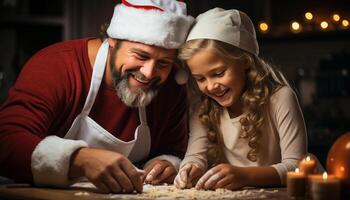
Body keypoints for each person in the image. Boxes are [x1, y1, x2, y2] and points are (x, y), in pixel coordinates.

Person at [0, 0, 194, 194]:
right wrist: (80, 159)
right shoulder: (56, 66)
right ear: (113, 40)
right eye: (141, 56)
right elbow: (6, 141)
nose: (149, 73)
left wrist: (167, 163)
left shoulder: (171, 88)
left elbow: (174, 149)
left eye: (163, 63)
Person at [174, 8, 308, 190]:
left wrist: (244, 176)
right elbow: (195, 156)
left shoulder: (280, 98)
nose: (211, 85)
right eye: (200, 79)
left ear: (245, 61)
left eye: (219, 73)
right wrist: (189, 168)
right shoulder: (202, 107)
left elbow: (297, 167)